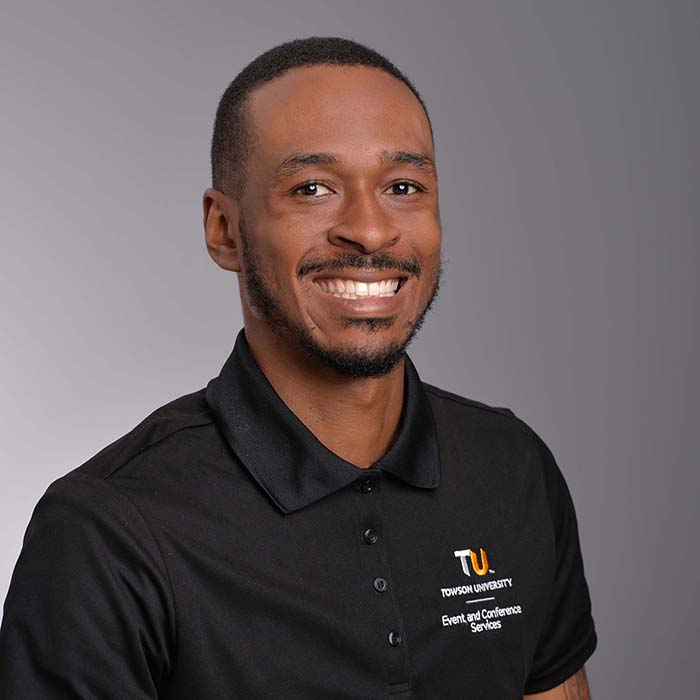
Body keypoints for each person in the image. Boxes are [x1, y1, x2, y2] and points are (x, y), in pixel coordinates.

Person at [0, 37, 597, 699]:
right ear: (224, 230)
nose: (370, 230)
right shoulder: (105, 532)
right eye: (313, 189)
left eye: (403, 187)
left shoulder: (512, 467)